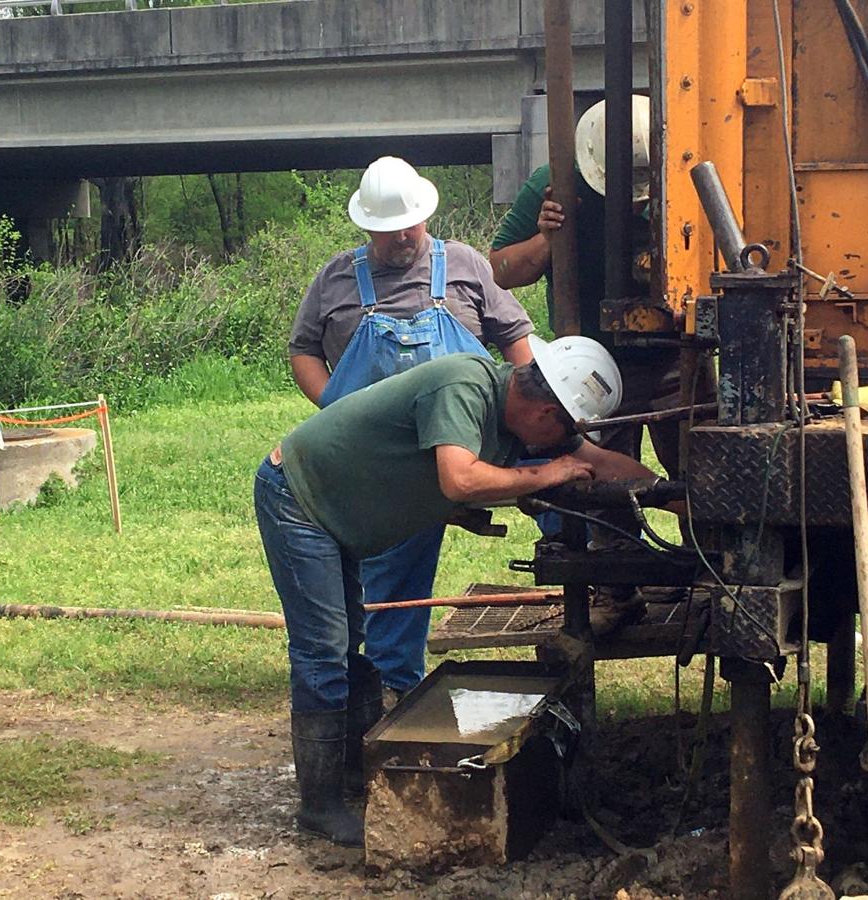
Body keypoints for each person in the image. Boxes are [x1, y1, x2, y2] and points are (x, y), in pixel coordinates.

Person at [255, 336, 658, 847]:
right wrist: (542, 475)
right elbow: (459, 480)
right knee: (323, 650)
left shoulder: (525, 419)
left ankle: (355, 775)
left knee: (347, 641)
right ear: (542, 411)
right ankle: (319, 806)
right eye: (565, 428)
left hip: (344, 512)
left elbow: (596, 461)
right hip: (299, 497)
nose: (564, 442)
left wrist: (671, 494)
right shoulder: (465, 385)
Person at [288, 156, 535, 703]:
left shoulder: (466, 266)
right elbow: (303, 350)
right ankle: (393, 685)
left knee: (559, 481)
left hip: (474, 442)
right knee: (391, 572)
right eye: (389, 229)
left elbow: (517, 339)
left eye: (412, 224)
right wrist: (332, 403)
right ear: (366, 227)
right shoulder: (335, 279)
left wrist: (536, 404)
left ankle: (604, 590)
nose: (403, 236)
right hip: (387, 464)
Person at [489, 97, 690, 479]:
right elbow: (501, 272)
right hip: (592, 360)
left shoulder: (683, 182)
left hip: (676, 355)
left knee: (699, 472)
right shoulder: (557, 184)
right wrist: (546, 240)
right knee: (599, 479)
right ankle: (610, 541)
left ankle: (705, 536)